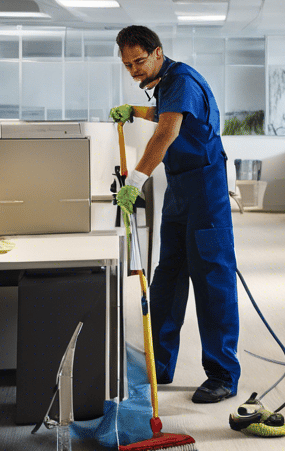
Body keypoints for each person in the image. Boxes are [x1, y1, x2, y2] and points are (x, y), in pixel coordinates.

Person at [110, 25, 239, 403]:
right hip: (180, 189)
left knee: (212, 281)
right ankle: (160, 365)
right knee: (168, 276)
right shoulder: (167, 82)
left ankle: (223, 374)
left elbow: (167, 132)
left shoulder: (181, 79)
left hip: (205, 190)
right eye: (127, 65)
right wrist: (135, 110)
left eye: (138, 61)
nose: (133, 70)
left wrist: (134, 181)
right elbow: (166, 112)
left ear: (157, 53)